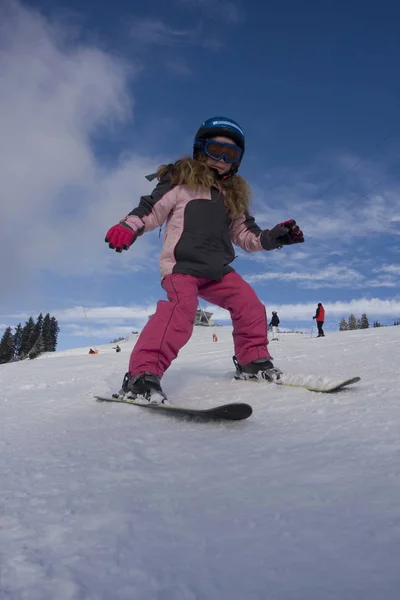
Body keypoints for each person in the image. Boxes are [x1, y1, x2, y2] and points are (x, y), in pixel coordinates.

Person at [105, 116, 304, 403]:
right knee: (180, 311)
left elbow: (246, 235)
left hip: (218, 270)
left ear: (237, 161)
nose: (222, 160)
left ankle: (252, 360)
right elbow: (151, 210)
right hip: (182, 266)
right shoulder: (180, 183)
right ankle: (142, 375)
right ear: (201, 150)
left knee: (250, 305)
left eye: (231, 154)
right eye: (215, 150)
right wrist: (129, 225)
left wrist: (274, 237)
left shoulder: (231, 197)